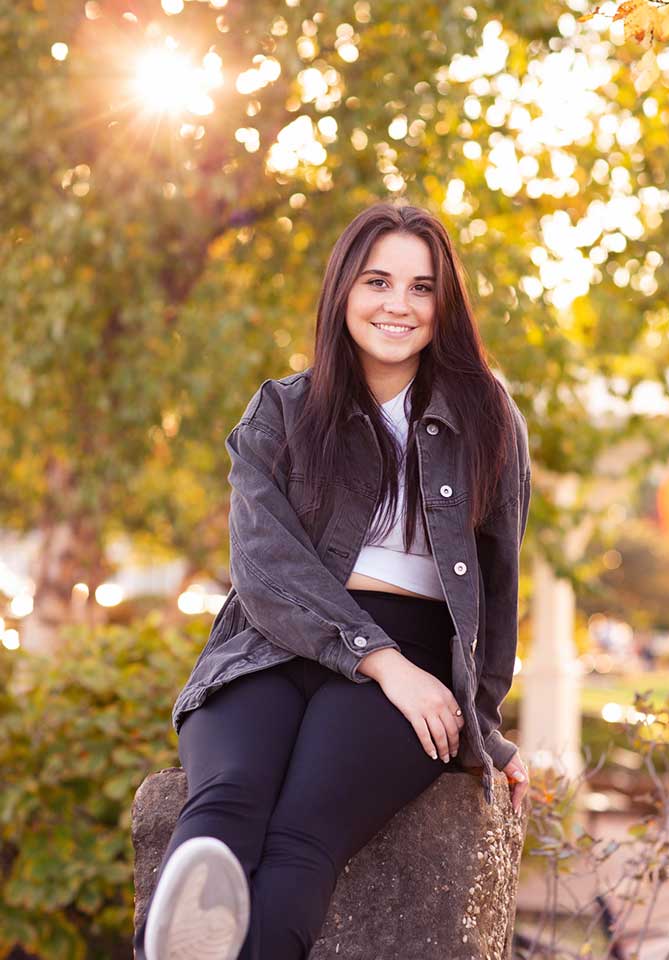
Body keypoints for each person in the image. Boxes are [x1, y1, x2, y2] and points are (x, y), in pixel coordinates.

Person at [134, 201, 531, 960]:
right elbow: (264, 566)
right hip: (267, 644)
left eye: (421, 288)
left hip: (413, 657)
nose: (398, 305)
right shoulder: (281, 411)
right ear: (344, 289)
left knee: (302, 835)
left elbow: (498, 581)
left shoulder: (487, 414)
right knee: (228, 800)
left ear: (443, 304)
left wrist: (482, 727)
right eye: (378, 281)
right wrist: (375, 659)